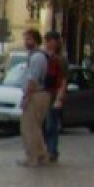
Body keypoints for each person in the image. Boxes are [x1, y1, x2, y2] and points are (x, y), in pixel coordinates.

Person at [18, 27, 50, 167]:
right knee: (36, 127)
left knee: (29, 127)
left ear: (36, 40)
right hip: (40, 94)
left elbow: (32, 79)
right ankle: (42, 154)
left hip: (36, 95)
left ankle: (33, 157)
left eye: (29, 39)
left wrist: (26, 96)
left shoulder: (37, 57)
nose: (26, 42)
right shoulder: (38, 56)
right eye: (25, 39)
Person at [42, 31, 68, 164]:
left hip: (54, 95)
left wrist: (60, 96)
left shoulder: (60, 59)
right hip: (45, 94)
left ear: (56, 42)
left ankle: (52, 151)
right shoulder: (45, 57)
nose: (47, 43)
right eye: (46, 41)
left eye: (49, 41)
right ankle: (48, 150)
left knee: (51, 125)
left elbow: (63, 79)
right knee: (45, 124)